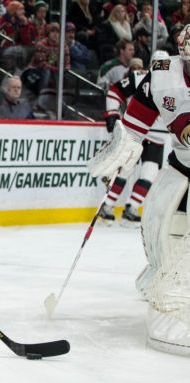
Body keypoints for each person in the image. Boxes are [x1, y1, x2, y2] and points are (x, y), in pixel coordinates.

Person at [87, 24, 190, 356]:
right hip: (181, 166)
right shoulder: (163, 72)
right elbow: (138, 116)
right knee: (157, 226)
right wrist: (126, 141)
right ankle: (162, 275)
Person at [99, 51, 169, 226]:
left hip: (157, 138)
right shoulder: (140, 77)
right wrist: (112, 113)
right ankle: (106, 207)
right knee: (125, 171)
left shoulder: (175, 84)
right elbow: (115, 91)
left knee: (149, 174)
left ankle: (131, 209)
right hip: (136, 133)